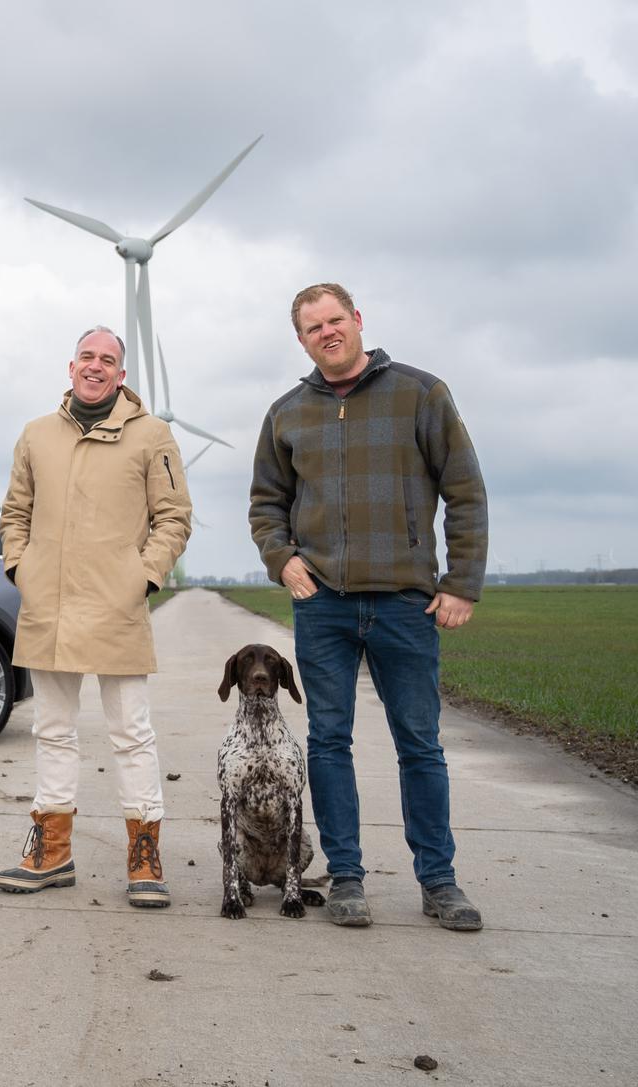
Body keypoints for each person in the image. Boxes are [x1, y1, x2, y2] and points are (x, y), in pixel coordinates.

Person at [248, 283, 489, 931]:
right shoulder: (286, 412)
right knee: (329, 740)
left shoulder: (421, 393)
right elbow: (266, 502)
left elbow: (465, 491)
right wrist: (283, 559)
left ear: (358, 320)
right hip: (322, 603)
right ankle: (347, 876)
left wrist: (462, 580)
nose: (326, 332)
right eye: (311, 327)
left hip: (406, 601)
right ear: (301, 340)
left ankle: (438, 880)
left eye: (335, 320)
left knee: (419, 742)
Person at [0, 326, 192, 907]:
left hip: (116, 606)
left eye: (108, 360)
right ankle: (51, 851)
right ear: (71, 366)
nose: (96, 366)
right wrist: (20, 569)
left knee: (131, 733)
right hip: (48, 608)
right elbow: (14, 513)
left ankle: (144, 854)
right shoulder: (35, 435)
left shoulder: (153, 436)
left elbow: (174, 516)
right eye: (88, 357)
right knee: (51, 729)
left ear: (122, 375)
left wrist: (144, 577)